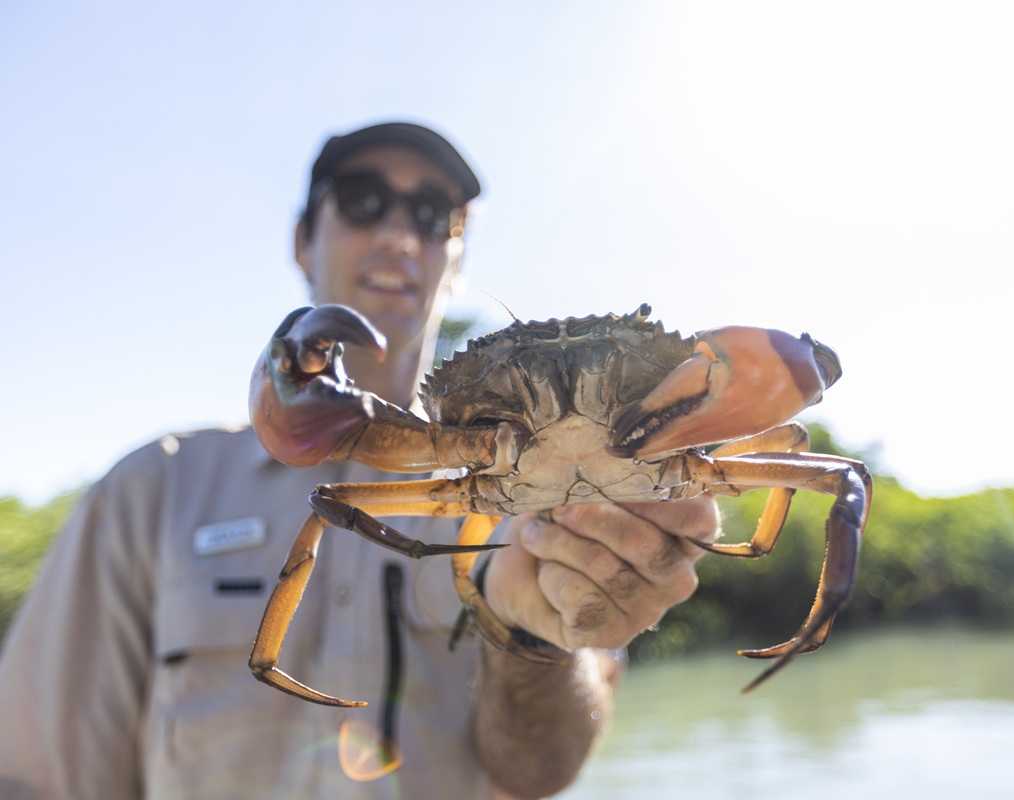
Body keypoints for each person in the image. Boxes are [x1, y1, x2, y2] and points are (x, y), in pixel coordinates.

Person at [0, 121, 719, 800]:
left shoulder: (551, 496)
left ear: (456, 260)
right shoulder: (149, 494)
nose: (401, 236)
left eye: (434, 215)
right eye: (364, 202)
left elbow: (538, 771)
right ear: (302, 241)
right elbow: (32, 776)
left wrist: (533, 638)